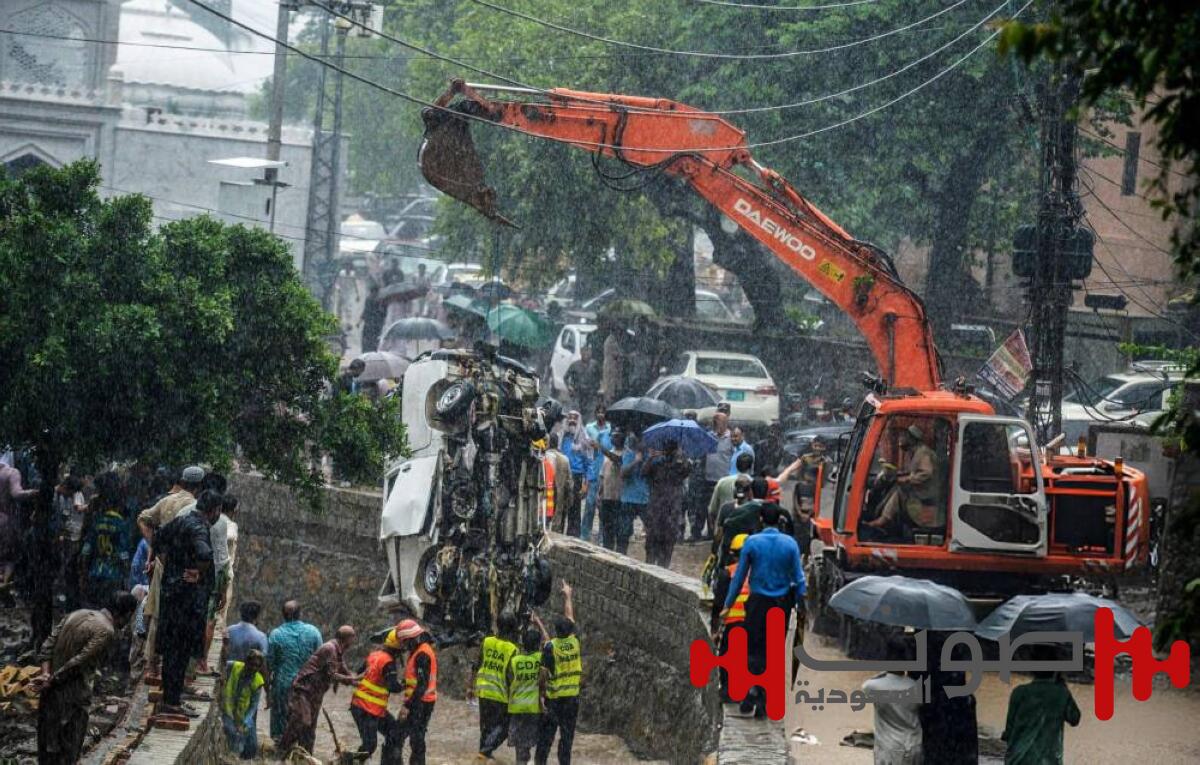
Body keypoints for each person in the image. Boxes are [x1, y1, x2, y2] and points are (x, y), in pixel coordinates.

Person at [721, 504, 805, 718]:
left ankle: (753, 691)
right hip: (781, 605)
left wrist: (728, 605)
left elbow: (739, 578)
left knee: (753, 651)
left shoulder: (752, 542)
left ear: (760, 519)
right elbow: (799, 579)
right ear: (779, 520)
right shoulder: (790, 544)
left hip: (757, 603)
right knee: (773, 652)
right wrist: (799, 605)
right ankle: (763, 700)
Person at [35, 592, 138, 765]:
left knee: (47, 748)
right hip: (72, 698)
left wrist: (46, 675)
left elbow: (47, 646)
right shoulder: (107, 631)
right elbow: (79, 662)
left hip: (50, 694)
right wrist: (53, 678)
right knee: (68, 751)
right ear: (127, 614)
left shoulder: (77, 614)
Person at [154, 489, 221, 717]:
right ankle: (172, 702)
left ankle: (171, 698)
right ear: (215, 511)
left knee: (171, 652)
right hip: (186, 600)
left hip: (171, 595)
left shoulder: (180, 521)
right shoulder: (199, 528)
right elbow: (204, 554)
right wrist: (197, 573)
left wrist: (171, 567)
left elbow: (157, 539)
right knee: (180, 653)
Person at [138, 464, 205, 667]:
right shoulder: (195, 507)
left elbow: (143, 518)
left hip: (162, 563)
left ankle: (152, 662)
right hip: (182, 568)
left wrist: (155, 547)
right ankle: (170, 662)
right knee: (175, 615)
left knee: (157, 613)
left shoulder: (167, 501)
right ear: (200, 486)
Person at [279, 625, 360, 755]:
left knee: (310, 729)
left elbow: (344, 670)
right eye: (352, 638)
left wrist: (359, 682)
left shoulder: (338, 651)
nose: (353, 641)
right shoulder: (330, 648)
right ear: (347, 638)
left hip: (315, 692)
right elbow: (332, 674)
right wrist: (354, 679)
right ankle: (282, 748)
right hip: (303, 690)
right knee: (303, 721)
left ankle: (305, 756)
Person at [1001, 647, 1080, 765]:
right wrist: (1062, 685)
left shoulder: (1019, 692)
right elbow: (1074, 719)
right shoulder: (1061, 694)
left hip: (1018, 760)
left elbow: (1008, 732)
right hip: (1049, 761)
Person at [533, 582, 581, 765]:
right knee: (567, 739)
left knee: (545, 738)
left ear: (557, 631)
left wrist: (540, 698)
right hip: (572, 700)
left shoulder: (550, 648)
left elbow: (543, 676)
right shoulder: (575, 642)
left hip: (554, 701)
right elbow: (570, 618)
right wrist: (568, 596)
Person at [865, 425, 941, 533]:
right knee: (894, 485)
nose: (901, 439)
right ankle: (879, 516)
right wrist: (898, 474)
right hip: (921, 488)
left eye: (904, 436)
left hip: (926, 491)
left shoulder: (923, 453)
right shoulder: (914, 452)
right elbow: (913, 471)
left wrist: (907, 479)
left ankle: (883, 520)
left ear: (912, 438)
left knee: (900, 491)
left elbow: (926, 473)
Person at [861, 634, 924, 765]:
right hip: (913, 746)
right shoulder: (915, 687)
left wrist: (884, 672)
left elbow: (865, 686)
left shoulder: (874, 686)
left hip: (889, 750)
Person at [267, 600, 324, 741]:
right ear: (300, 614)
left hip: (283, 684)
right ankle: (302, 746)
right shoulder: (313, 632)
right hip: (307, 685)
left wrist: (267, 689)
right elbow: (321, 660)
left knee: (282, 719)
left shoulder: (276, 635)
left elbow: (269, 663)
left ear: (283, 615)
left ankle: (281, 747)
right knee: (305, 718)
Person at [921, 635, 978, 765]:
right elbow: (970, 741)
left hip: (937, 752)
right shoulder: (966, 698)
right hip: (956, 753)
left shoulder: (931, 697)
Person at [351, 628, 405, 763]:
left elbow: (359, 672)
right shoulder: (388, 663)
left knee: (394, 731)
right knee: (370, 745)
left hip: (364, 707)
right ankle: (350, 761)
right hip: (367, 709)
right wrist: (405, 684)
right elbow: (393, 687)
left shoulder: (374, 655)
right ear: (397, 650)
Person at [473, 613, 520, 762]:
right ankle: (485, 751)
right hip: (500, 693)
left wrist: (470, 686)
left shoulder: (487, 641)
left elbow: (477, 664)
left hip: (483, 689)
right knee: (505, 726)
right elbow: (511, 675)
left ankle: (483, 755)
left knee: (486, 726)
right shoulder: (513, 649)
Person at [78, 476, 131, 608]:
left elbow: (86, 551)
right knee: (108, 608)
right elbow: (123, 554)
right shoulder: (120, 524)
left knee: (94, 607)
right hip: (112, 575)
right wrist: (126, 575)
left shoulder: (97, 522)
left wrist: (83, 572)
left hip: (95, 572)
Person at [711, 534, 751, 702]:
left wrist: (714, 629)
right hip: (753, 622)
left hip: (733, 623)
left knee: (727, 656)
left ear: (733, 554)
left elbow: (718, 602)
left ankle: (728, 691)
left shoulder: (728, 573)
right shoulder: (759, 573)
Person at [641, 440, 692, 569]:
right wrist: (651, 458)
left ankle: (662, 569)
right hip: (656, 510)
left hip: (671, 511)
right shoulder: (657, 464)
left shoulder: (679, 466)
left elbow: (688, 470)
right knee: (652, 546)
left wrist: (682, 456)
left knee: (667, 546)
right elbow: (643, 473)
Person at [394, 619, 438, 765]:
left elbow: (422, 685)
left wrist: (407, 706)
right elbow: (416, 679)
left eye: (405, 643)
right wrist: (404, 683)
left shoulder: (422, 654)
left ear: (411, 639)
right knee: (414, 738)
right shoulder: (420, 650)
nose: (404, 647)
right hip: (421, 701)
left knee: (408, 738)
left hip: (420, 703)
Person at [0, 454, 37, 606]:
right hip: (5, 521)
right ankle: (4, 586)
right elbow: (17, 494)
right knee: (9, 557)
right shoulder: (11, 472)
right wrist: (35, 492)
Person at [507, 627, 544, 765]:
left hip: (516, 707)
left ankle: (521, 762)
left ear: (523, 644)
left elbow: (509, 680)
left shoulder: (515, 661)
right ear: (538, 644)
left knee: (520, 744)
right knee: (531, 740)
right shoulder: (541, 659)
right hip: (533, 707)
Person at [221, 648, 266, 759]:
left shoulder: (258, 681)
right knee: (232, 732)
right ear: (246, 662)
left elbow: (253, 706)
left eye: (257, 666)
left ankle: (240, 758)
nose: (254, 668)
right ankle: (232, 757)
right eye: (252, 664)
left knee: (252, 747)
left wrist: (245, 722)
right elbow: (221, 665)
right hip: (227, 710)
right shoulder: (234, 666)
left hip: (243, 715)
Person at [696, 409, 733, 540]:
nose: (716, 424)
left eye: (719, 421)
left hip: (724, 479)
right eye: (715, 421)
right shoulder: (708, 436)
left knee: (722, 507)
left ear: (726, 423)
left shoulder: (731, 438)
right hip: (708, 478)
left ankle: (720, 531)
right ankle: (708, 532)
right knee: (708, 507)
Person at [581, 405, 612, 544]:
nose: (600, 414)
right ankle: (584, 535)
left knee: (603, 507)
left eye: (603, 412)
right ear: (595, 414)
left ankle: (602, 537)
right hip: (593, 469)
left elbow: (611, 449)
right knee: (589, 504)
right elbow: (584, 446)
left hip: (606, 470)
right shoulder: (589, 428)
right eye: (598, 412)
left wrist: (599, 446)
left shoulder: (610, 429)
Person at [559, 411, 592, 537]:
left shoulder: (584, 439)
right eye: (570, 418)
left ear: (579, 421)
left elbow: (589, 463)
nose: (572, 421)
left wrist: (586, 484)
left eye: (575, 418)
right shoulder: (562, 436)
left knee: (575, 508)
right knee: (561, 506)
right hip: (562, 475)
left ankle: (573, 537)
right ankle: (558, 534)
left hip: (576, 476)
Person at [708, 452, 754, 538]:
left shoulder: (722, 482)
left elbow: (712, 510)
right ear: (751, 467)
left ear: (736, 465)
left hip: (725, 531)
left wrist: (714, 530)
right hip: (747, 533)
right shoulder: (753, 483)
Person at [616, 434, 648, 554]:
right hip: (628, 498)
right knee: (623, 533)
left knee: (651, 531)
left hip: (645, 499)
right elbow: (622, 473)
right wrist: (636, 461)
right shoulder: (629, 454)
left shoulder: (650, 455)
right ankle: (620, 556)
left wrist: (648, 459)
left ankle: (650, 559)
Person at [596, 429, 627, 552]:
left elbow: (617, 460)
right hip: (607, 496)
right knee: (607, 529)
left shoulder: (626, 454)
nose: (613, 438)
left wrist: (601, 448)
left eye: (616, 436)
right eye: (612, 436)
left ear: (622, 438)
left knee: (619, 530)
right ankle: (607, 551)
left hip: (619, 497)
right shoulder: (609, 453)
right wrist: (599, 493)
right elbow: (603, 475)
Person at [544, 434, 573, 534]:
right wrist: (569, 498)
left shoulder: (543, 457)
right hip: (558, 496)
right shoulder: (565, 459)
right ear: (557, 444)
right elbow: (569, 482)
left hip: (544, 495)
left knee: (543, 521)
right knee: (557, 523)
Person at [224, 600, 269, 664]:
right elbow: (263, 661)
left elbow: (223, 654)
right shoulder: (261, 637)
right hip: (248, 670)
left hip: (229, 669)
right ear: (257, 616)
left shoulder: (229, 630)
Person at [564, 346, 601, 419]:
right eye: (584, 352)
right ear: (581, 353)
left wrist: (599, 388)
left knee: (589, 415)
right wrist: (569, 387)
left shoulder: (595, 365)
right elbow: (566, 377)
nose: (586, 354)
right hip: (577, 393)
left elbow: (600, 377)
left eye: (588, 352)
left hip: (590, 395)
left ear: (591, 353)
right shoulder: (575, 365)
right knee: (577, 414)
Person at [795, 437, 830, 511]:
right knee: (799, 507)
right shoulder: (805, 458)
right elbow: (799, 473)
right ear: (812, 445)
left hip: (816, 489)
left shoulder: (826, 461)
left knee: (813, 509)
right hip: (804, 487)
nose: (817, 448)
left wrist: (819, 485)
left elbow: (824, 477)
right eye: (815, 446)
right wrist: (802, 482)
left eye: (820, 446)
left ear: (824, 448)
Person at [600, 327, 624, 407]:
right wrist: (624, 356)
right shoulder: (610, 341)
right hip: (610, 367)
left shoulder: (614, 340)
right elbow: (616, 354)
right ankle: (608, 404)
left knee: (613, 386)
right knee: (610, 389)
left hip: (614, 367)